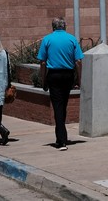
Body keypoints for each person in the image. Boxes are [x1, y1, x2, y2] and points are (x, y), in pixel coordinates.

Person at [37, 17, 83, 151]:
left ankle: (61, 140)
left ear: (53, 27)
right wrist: (79, 80)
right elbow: (78, 62)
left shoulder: (47, 39)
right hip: (68, 75)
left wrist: (43, 80)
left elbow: (43, 62)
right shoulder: (72, 39)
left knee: (58, 106)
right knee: (63, 105)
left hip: (54, 75)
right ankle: (61, 136)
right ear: (65, 26)